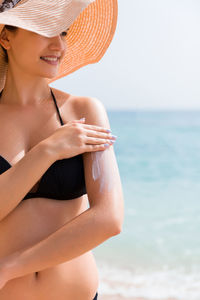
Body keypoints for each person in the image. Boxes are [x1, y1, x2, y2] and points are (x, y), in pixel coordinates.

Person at [0, 0, 124, 299]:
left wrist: (9, 267)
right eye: (45, 29)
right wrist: (48, 150)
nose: (58, 44)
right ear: (5, 37)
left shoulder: (83, 111)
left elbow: (109, 219)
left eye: (64, 32)